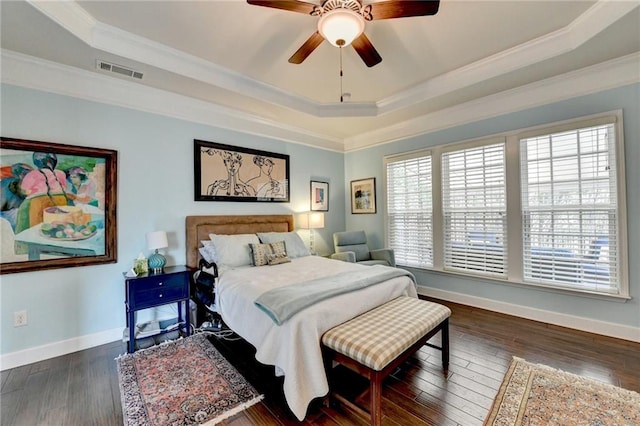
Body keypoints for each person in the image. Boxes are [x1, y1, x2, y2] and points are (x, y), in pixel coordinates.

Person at [15, 152, 70, 233]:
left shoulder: (32, 174)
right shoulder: (61, 173)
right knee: (58, 227)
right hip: (60, 201)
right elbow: (64, 188)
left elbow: (25, 191)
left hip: (38, 203)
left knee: (27, 220)